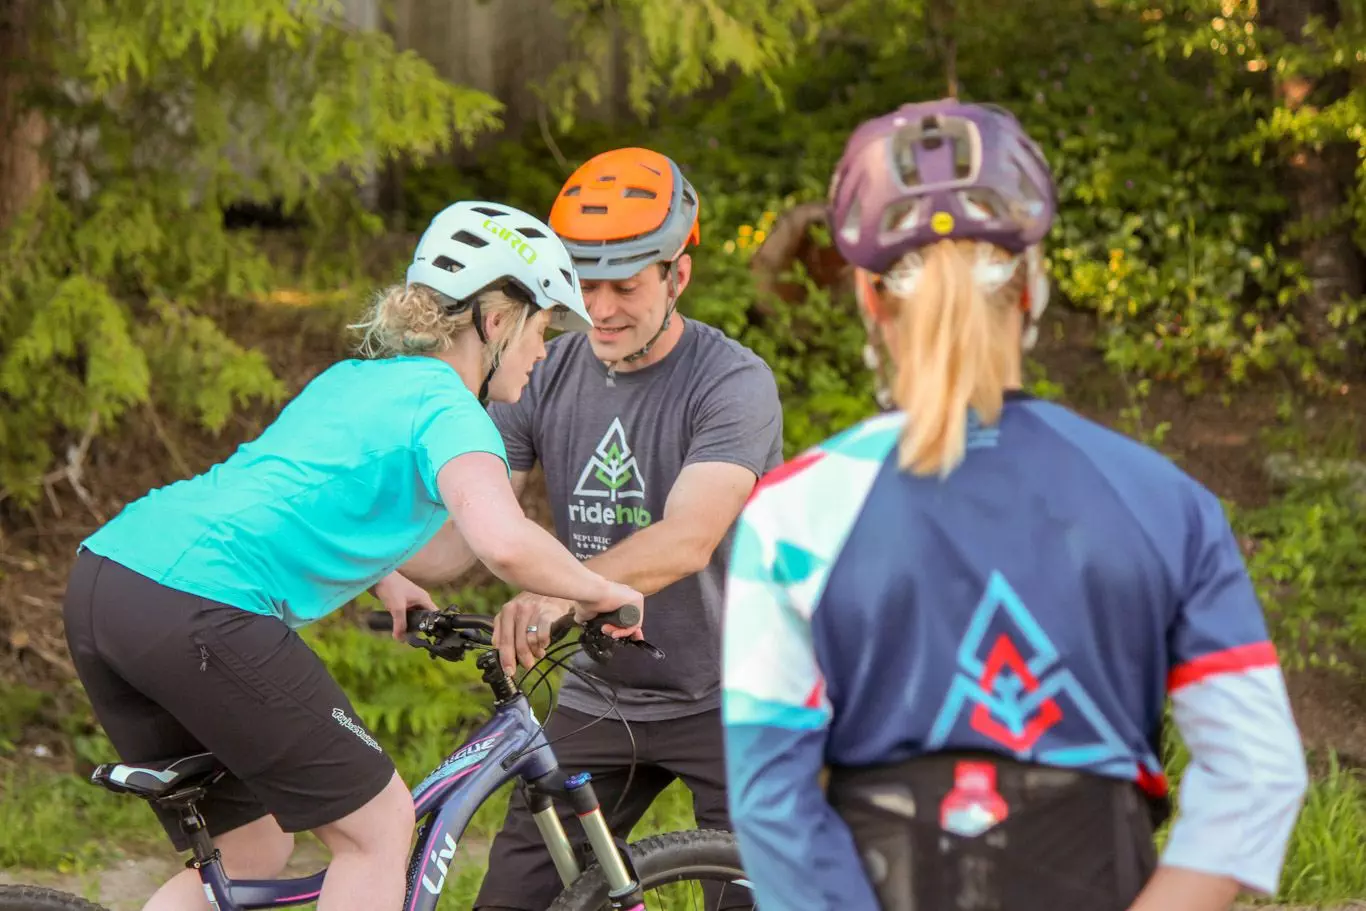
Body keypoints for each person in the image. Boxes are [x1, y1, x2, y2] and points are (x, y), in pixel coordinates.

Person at [720, 99, 1310, 911]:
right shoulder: (1163, 498)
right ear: (1032, 288)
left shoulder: (793, 510)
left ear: (870, 298)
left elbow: (768, 800)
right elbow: (1258, 768)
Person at [62, 200, 645, 911]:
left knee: (251, 850)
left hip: (109, 580)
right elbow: (503, 539)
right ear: (496, 322)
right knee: (379, 825)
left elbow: (298, 496)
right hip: (200, 602)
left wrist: (388, 579)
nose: (544, 349)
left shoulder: (354, 379)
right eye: (542, 328)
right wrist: (599, 590)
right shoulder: (452, 409)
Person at [450, 147, 784, 911]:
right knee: (510, 902)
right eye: (583, 285)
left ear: (678, 277)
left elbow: (688, 536)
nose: (598, 308)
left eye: (625, 286)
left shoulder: (732, 382)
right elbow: (475, 509)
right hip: (603, 693)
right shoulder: (547, 369)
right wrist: (384, 559)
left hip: (731, 694)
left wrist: (561, 597)